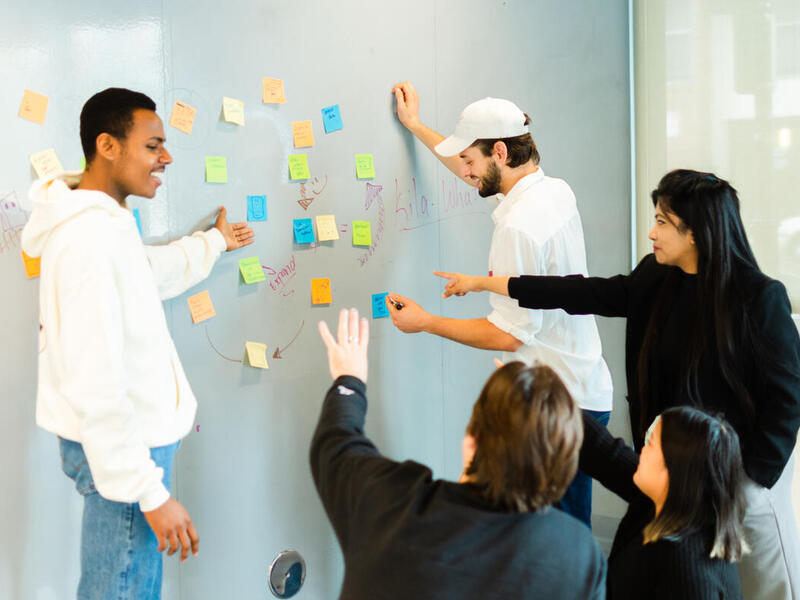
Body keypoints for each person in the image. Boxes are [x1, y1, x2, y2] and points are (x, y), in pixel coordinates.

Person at [434, 169, 800, 599]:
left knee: (763, 587)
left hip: (739, 476)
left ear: (696, 232)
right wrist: (488, 283)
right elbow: (584, 293)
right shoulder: (658, 277)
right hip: (675, 470)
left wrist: (749, 481)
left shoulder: (759, 298)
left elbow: (786, 401)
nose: (652, 232)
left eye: (662, 221)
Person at [21, 87, 254, 600]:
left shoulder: (105, 226)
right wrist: (148, 492)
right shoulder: (87, 241)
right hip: (125, 458)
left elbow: (148, 271)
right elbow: (94, 379)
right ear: (107, 146)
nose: (166, 157)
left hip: (127, 453)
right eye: (153, 146)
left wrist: (215, 241)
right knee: (121, 591)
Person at [387, 81, 613, 528]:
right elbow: (473, 170)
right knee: (562, 535)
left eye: (470, 160)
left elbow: (508, 336)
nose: (466, 171)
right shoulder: (552, 190)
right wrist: (415, 125)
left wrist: (426, 321)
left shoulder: (517, 226)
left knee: (553, 539)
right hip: (581, 390)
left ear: (501, 153)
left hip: (556, 405)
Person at [311, 308, 606, 599]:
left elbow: (336, 441)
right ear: (566, 465)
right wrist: (539, 413)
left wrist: (349, 380)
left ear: (470, 441)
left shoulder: (392, 505)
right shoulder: (579, 554)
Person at [581, 405, 747, 598]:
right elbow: (607, 453)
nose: (642, 452)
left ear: (672, 469)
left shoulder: (688, 570)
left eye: (651, 444)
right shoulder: (671, 499)